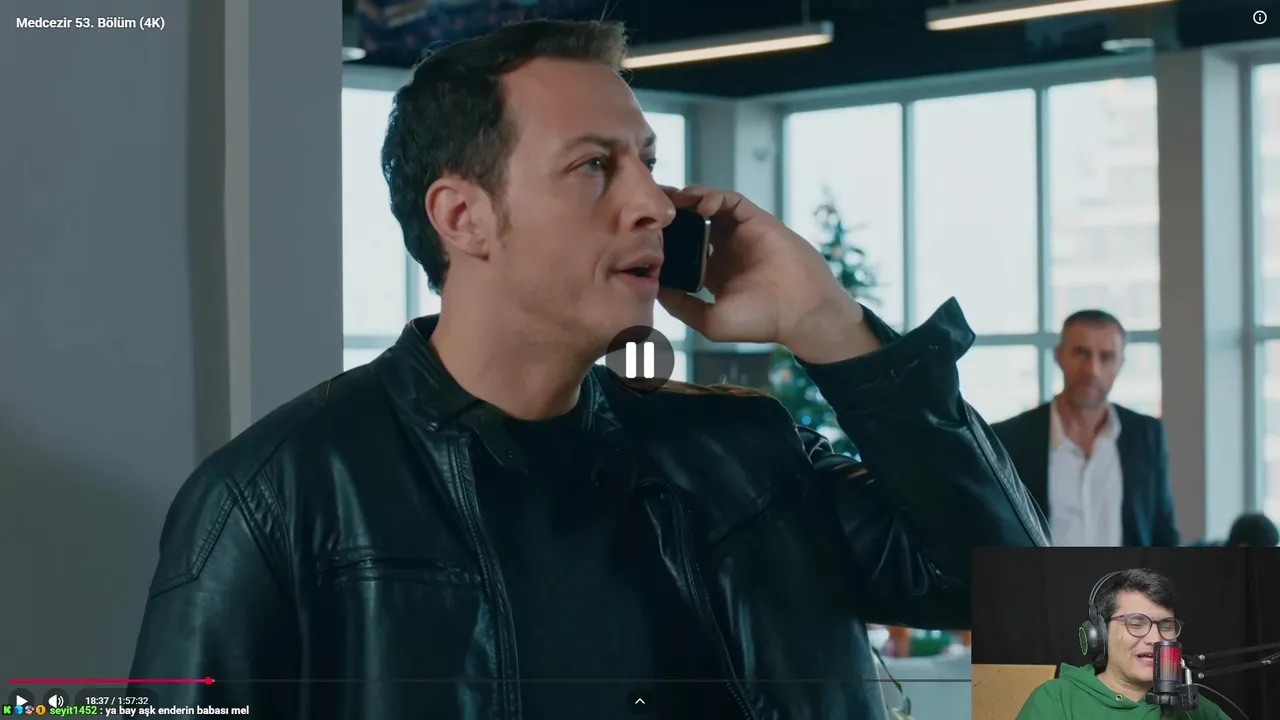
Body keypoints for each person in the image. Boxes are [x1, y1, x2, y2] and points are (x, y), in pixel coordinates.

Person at [127, 19, 1048, 720]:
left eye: (648, 162)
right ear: (463, 218)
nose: (655, 203)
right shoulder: (276, 501)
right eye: (594, 167)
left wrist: (827, 323)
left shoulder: (748, 456)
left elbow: (1022, 605)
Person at [992, 310, 1178, 547]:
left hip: (1126, 573)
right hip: (1040, 572)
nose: (1092, 370)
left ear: (1121, 364)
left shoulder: (1146, 435)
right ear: (1059, 356)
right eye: (1081, 353)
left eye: (1106, 357)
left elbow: (1163, 534)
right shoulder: (1009, 438)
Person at [1017, 569, 1230, 719]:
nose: (1155, 639)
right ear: (1100, 634)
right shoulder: (1056, 699)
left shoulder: (1194, 709)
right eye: (1136, 623)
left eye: (1166, 626)